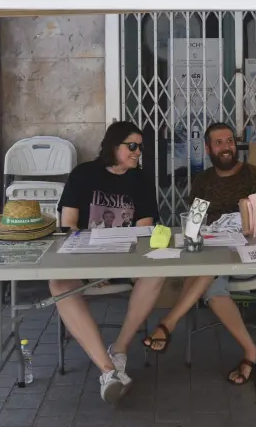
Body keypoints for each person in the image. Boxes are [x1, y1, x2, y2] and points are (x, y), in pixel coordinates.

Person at [143, 122, 256, 385]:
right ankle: (251, 351)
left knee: (206, 272)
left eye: (230, 142)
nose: (226, 147)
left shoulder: (252, 174)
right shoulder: (202, 181)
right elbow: (195, 221)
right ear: (208, 148)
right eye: (219, 143)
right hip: (212, 249)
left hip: (246, 250)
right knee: (211, 286)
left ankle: (168, 323)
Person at [50, 121, 165, 404]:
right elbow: (68, 224)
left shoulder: (140, 179)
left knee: (158, 273)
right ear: (114, 146)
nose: (138, 152)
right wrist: (93, 258)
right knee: (59, 283)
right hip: (86, 256)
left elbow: (144, 228)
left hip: (125, 257)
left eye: (141, 147)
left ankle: (121, 348)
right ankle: (108, 369)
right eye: (132, 146)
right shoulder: (83, 174)